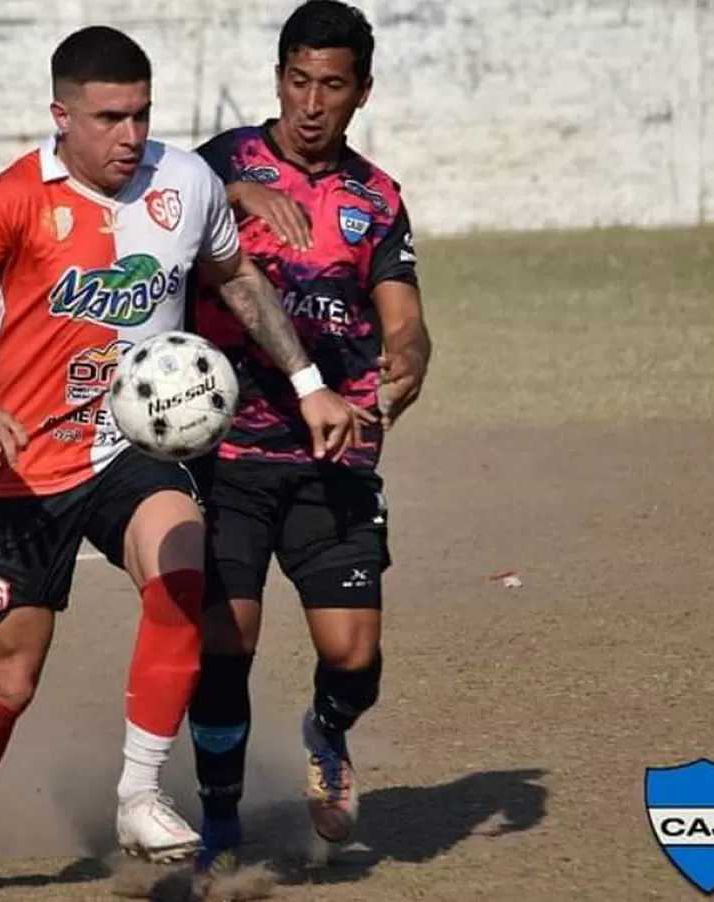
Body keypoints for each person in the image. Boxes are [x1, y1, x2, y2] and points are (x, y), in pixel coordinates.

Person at [0, 23, 368, 899]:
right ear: (60, 116)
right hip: (25, 466)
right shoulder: (10, 199)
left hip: (131, 449)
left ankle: (139, 792)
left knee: (185, 565)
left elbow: (237, 279)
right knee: (12, 673)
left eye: (142, 115)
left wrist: (306, 383)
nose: (130, 137)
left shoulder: (185, 183)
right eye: (110, 117)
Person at [183, 0, 434, 866]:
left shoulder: (377, 197)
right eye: (298, 81)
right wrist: (236, 191)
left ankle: (327, 732)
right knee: (227, 638)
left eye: (332, 85)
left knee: (353, 654)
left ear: (362, 91)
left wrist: (406, 358)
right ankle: (220, 820)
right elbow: (151, 192)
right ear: (278, 77)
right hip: (229, 452)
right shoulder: (221, 160)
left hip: (335, 454)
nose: (311, 103)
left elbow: (404, 318)